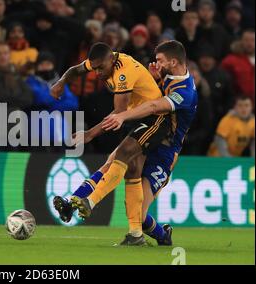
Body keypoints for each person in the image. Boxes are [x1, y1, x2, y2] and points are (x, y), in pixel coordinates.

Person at [51, 42, 171, 245]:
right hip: (135, 118)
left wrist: (90, 134)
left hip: (155, 118)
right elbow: (75, 69)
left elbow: (119, 112)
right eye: (95, 68)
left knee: (121, 156)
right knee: (130, 169)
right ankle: (135, 235)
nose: (97, 73)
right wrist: (61, 82)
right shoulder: (101, 61)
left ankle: (90, 200)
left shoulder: (124, 72)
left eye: (101, 68)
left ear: (111, 60)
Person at [92, 40, 198, 246]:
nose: (155, 63)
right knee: (112, 161)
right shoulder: (169, 76)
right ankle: (81, 199)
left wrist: (122, 116)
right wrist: (155, 78)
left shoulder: (185, 92)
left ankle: (162, 235)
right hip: (149, 138)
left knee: (139, 215)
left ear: (173, 62)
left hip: (165, 153)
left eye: (160, 61)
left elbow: (153, 106)